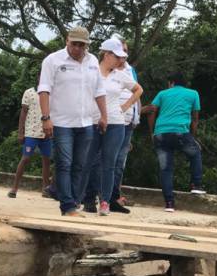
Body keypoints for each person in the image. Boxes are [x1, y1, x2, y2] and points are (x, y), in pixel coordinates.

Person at [38, 26, 108, 217]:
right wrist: (46, 118)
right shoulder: (53, 60)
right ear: (67, 40)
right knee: (64, 163)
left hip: (85, 122)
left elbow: (99, 91)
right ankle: (67, 205)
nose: (78, 48)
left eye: (82, 45)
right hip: (61, 122)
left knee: (80, 164)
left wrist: (103, 116)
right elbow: (44, 90)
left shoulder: (92, 61)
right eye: (74, 44)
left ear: (87, 45)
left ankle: (74, 201)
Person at [80, 38, 143, 215]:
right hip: (92, 122)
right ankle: (81, 198)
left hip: (116, 123)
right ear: (106, 55)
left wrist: (125, 106)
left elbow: (139, 90)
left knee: (109, 164)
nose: (120, 61)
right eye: (117, 57)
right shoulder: (91, 72)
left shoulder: (121, 75)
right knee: (87, 162)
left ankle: (105, 202)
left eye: (122, 57)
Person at [143, 72, 204, 212]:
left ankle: (169, 203)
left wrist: (153, 132)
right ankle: (196, 185)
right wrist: (192, 138)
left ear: (171, 82)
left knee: (166, 168)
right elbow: (195, 119)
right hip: (180, 132)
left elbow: (151, 111)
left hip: (161, 134)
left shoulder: (162, 94)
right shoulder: (193, 94)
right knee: (195, 154)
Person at [111, 37, 141, 211]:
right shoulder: (108, 70)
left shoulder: (131, 70)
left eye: (126, 51)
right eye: (121, 50)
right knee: (105, 159)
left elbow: (137, 93)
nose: (124, 54)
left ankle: (114, 198)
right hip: (112, 121)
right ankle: (92, 196)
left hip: (128, 122)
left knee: (120, 162)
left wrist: (136, 116)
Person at [8, 83, 52, 198]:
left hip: (46, 133)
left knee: (46, 160)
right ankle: (14, 188)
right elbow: (23, 113)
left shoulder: (52, 93)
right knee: (25, 158)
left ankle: (45, 188)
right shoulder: (29, 92)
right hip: (31, 132)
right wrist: (20, 132)